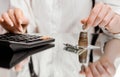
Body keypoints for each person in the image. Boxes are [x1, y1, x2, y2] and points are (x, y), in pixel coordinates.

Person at [0, 0, 120, 77]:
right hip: (33, 61)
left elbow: (115, 19)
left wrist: (113, 20)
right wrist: (17, 24)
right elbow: (20, 16)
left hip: (87, 63)